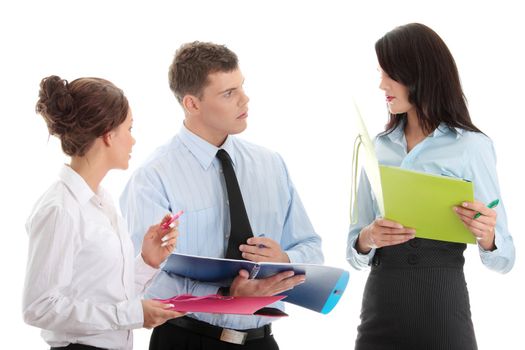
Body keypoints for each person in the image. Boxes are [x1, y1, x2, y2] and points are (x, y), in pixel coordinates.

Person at [120, 41, 323, 350]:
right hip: (187, 339)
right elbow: (142, 278)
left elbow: (310, 248)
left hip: (262, 342)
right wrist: (228, 295)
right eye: (229, 93)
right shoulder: (153, 177)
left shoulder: (271, 164)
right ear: (192, 104)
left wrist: (284, 260)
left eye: (242, 87)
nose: (245, 99)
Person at [346, 23, 515, 350]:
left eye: (390, 75)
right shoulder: (377, 147)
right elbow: (354, 247)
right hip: (381, 302)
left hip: (442, 302)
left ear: (419, 74)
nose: (382, 85)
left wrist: (488, 234)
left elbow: (504, 259)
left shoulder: (472, 146)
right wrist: (368, 238)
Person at [23, 75, 185, 350]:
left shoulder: (102, 202)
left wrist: (147, 261)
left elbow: (106, 296)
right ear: (109, 135)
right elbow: (39, 307)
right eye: (130, 129)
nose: (133, 140)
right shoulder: (60, 209)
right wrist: (134, 314)